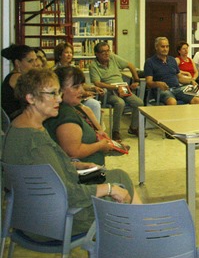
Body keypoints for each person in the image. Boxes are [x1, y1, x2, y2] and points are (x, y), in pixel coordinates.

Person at [3, 68, 141, 237]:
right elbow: (69, 193)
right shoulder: (36, 142)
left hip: (27, 216)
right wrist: (110, 189)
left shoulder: (18, 126)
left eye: (59, 92)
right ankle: (141, 238)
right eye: (52, 94)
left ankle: (142, 233)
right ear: (30, 98)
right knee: (121, 185)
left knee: (119, 176)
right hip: (57, 221)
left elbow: (43, 168)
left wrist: (76, 164)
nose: (59, 99)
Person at [45, 66, 122, 164]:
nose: (82, 91)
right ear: (60, 90)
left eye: (82, 85)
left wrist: (98, 134)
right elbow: (73, 152)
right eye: (76, 87)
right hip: (85, 174)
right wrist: (100, 145)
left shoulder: (73, 107)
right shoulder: (65, 116)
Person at [89, 41, 145, 139]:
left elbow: (130, 65)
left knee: (139, 103)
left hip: (122, 87)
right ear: (97, 54)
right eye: (103, 52)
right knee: (120, 103)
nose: (107, 54)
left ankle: (133, 127)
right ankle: (116, 131)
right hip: (107, 91)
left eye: (108, 51)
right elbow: (97, 83)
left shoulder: (113, 58)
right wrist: (115, 87)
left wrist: (136, 80)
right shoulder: (93, 66)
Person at [52, 42, 104, 123]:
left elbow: (81, 84)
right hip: (66, 99)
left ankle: (96, 129)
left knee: (95, 104)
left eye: (71, 53)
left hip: (79, 96)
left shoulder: (74, 68)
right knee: (94, 105)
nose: (69, 55)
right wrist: (83, 93)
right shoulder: (54, 71)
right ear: (59, 55)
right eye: (66, 52)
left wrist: (93, 88)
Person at [144, 36, 199, 105]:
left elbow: (180, 78)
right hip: (162, 90)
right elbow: (148, 82)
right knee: (172, 102)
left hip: (177, 88)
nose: (165, 49)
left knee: (197, 100)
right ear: (156, 47)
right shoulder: (150, 62)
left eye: (167, 46)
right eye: (162, 47)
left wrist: (191, 80)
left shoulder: (172, 60)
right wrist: (157, 84)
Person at [1, 44, 38, 119]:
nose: (35, 64)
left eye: (36, 60)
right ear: (17, 63)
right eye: (30, 61)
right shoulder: (17, 78)